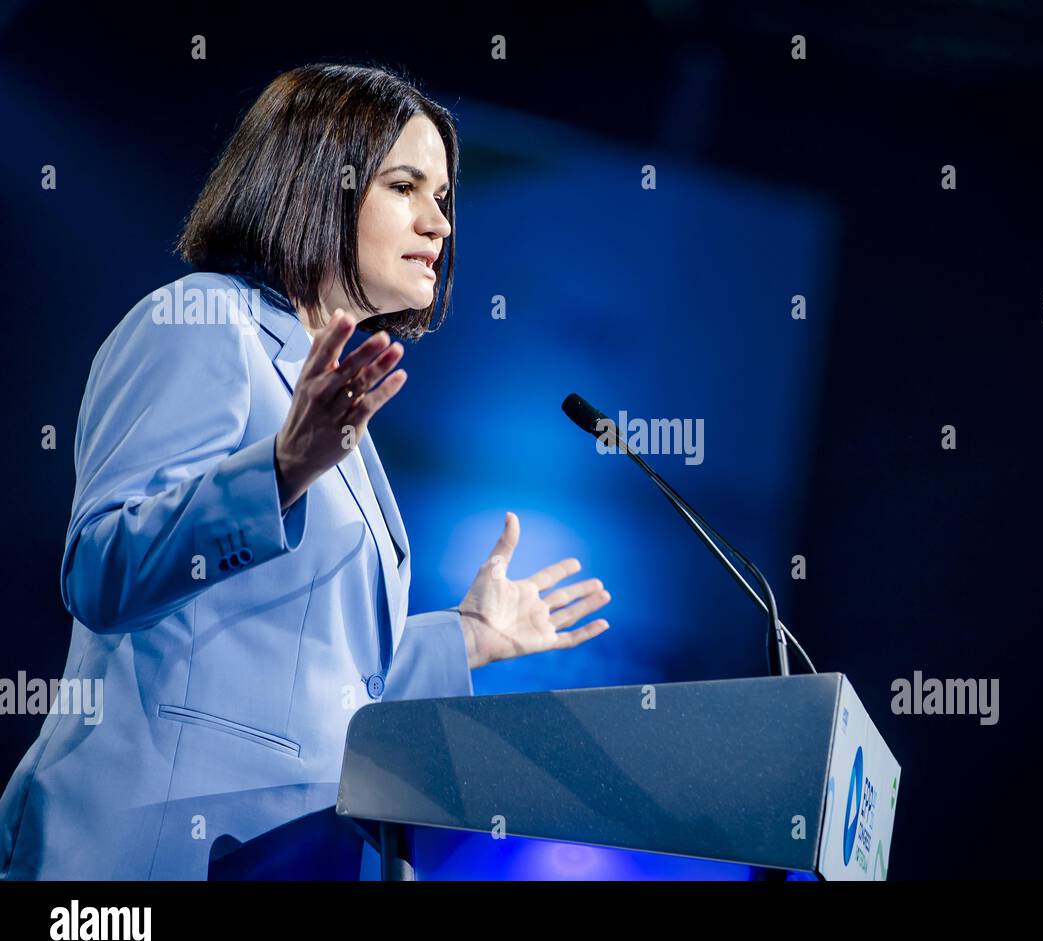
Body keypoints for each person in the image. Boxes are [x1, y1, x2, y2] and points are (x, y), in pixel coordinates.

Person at [0, 63, 611, 880]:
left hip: (282, 856)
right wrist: (279, 472)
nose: (440, 222)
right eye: (407, 186)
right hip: (149, 853)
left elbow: (318, 671)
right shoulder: (204, 324)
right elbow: (102, 572)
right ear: (322, 180)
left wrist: (470, 638)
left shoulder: (328, 394)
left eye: (446, 198)